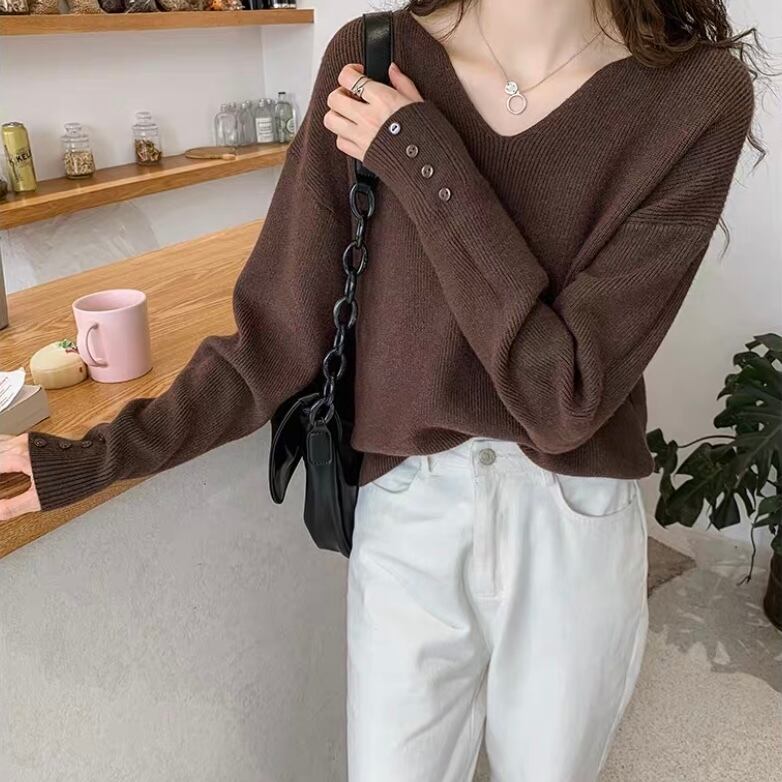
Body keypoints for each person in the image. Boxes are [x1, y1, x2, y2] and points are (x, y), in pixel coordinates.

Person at [0, 0, 759, 779]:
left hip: (574, 516)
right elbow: (275, 338)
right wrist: (93, 456)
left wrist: (421, 158)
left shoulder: (696, 96)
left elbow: (560, 397)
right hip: (410, 511)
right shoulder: (372, 58)